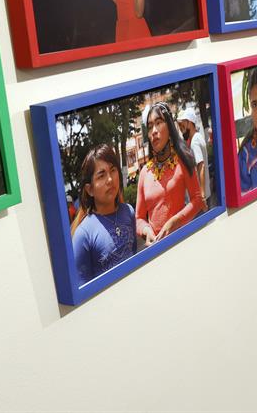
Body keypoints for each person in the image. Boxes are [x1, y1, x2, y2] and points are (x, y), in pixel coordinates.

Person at [135, 102, 205, 247]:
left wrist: (175, 221)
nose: (153, 131)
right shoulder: (144, 173)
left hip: (183, 242)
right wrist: (146, 230)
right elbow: (139, 218)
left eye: (159, 123)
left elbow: (197, 200)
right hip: (156, 249)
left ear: (169, 126)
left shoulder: (183, 160)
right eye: (149, 127)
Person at [70, 144, 135, 285]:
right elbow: (83, 290)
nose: (110, 179)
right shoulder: (83, 235)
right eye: (101, 175)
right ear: (90, 190)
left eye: (113, 170)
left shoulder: (129, 212)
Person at [176, 106, 211, 206]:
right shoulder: (198, 136)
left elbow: (201, 166)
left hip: (201, 199)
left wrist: (202, 195)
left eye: (182, 126)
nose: (181, 130)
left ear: (190, 123)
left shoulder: (194, 142)